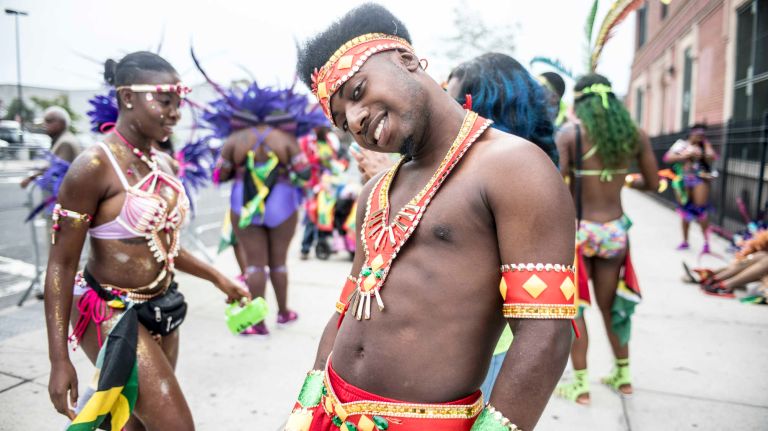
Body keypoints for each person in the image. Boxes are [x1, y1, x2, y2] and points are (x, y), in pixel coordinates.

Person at [286, 4, 576, 430]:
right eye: (342, 120)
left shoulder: (514, 168)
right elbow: (346, 308)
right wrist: (304, 409)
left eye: (357, 90)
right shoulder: (376, 192)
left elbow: (545, 333)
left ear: (405, 60)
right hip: (329, 411)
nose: (355, 119)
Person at [43, 51, 250, 430]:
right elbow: (60, 264)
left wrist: (218, 278)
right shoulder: (94, 166)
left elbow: (164, 247)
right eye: (164, 101)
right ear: (127, 98)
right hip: (107, 311)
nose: (174, 113)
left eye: (178, 103)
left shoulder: (163, 165)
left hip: (162, 308)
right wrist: (59, 359)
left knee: (135, 424)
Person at [445, 52, 560, 397]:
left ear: (482, 107)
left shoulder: (519, 177)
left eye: (454, 105)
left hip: (485, 351)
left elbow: (546, 326)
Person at [554, 74, 659, 405]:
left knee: (576, 308)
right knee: (611, 305)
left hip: (580, 230)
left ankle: (581, 386)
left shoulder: (570, 135)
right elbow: (654, 183)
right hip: (615, 230)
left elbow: (555, 185)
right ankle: (624, 376)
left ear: (580, 103)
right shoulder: (634, 135)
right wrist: (622, 181)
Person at [211, 80, 327, 335]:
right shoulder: (285, 138)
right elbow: (304, 173)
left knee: (254, 265)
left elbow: (219, 175)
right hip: (282, 203)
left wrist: (241, 166)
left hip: (243, 203)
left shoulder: (234, 139)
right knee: (279, 263)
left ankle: (257, 322)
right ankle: (284, 313)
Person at [663, 124, 718, 253]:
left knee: (701, 211)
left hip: (700, 179)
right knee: (685, 211)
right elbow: (667, 158)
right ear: (691, 134)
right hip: (683, 180)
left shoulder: (704, 144)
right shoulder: (681, 144)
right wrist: (685, 155)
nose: (700, 137)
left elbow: (713, 156)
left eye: (702, 135)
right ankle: (685, 241)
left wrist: (702, 153)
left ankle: (706, 243)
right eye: (697, 134)